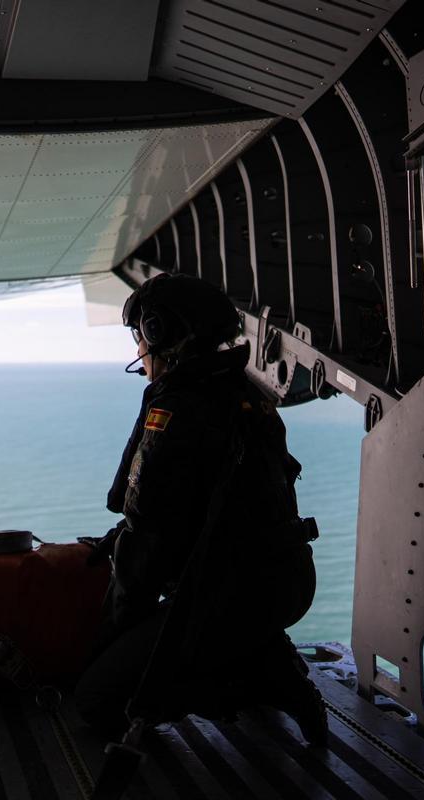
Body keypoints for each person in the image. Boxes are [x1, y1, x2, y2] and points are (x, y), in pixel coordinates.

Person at [72, 272, 326, 745]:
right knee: (212, 621)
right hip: (285, 585)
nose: (139, 352)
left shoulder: (177, 412)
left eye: (139, 337)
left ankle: (260, 680)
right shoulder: (248, 397)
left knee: (97, 699)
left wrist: (111, 639)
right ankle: (265, 655)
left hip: (227, 598)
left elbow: (147, 549)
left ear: (158, 334)